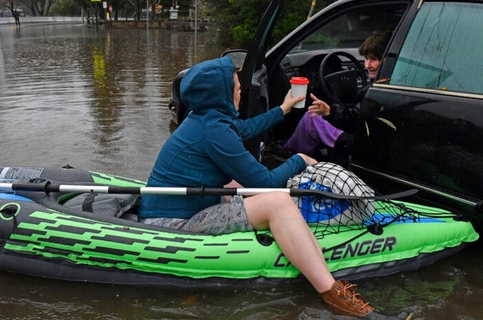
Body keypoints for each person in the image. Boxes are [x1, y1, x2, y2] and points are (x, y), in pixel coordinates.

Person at [138, 56, 374, 317]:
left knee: (239, 184)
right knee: (278, 201)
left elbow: (245, 128)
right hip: (172, 225)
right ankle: (334, 294)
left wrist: (284, 107)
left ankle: (298, 237)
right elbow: (266, 183)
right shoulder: (214, 130)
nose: (240, 91)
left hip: (182, 207)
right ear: (222, 94)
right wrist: (300, 159)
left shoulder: (205, 117)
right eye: (237, 87)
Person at [282, 29, 393, 167]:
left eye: (373, 59)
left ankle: (288, 154)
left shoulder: (377, 90)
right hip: (370, 139)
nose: (367, 65)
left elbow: (355, 120)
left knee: (311, 117)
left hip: (356, 140)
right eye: (366, 58)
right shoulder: (392, 81)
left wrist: (330, 112)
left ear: (386, 60)